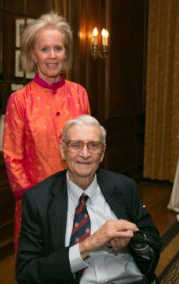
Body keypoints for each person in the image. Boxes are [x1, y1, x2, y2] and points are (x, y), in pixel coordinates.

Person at [16, 115, 161, 284]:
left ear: (102, 152)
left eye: (93, 145)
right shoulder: (38, 199)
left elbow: (151, 237)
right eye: (76, 145)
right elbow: (26, 272)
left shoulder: (124, 187)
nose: (85, 154)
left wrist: (132, 240)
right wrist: (88, 245)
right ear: (63, 150)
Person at [3, 12, 90, 252]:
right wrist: (35, 201)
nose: (52, 56)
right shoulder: (19, 100)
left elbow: (89, 147)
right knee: (39, 268)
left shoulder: (80, 94)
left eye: (58, 48)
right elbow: (13, 157)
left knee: (76, 261)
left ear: (66, 53)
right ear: (33, 54)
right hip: (35, 204)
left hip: (77, 198)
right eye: (44, 49)